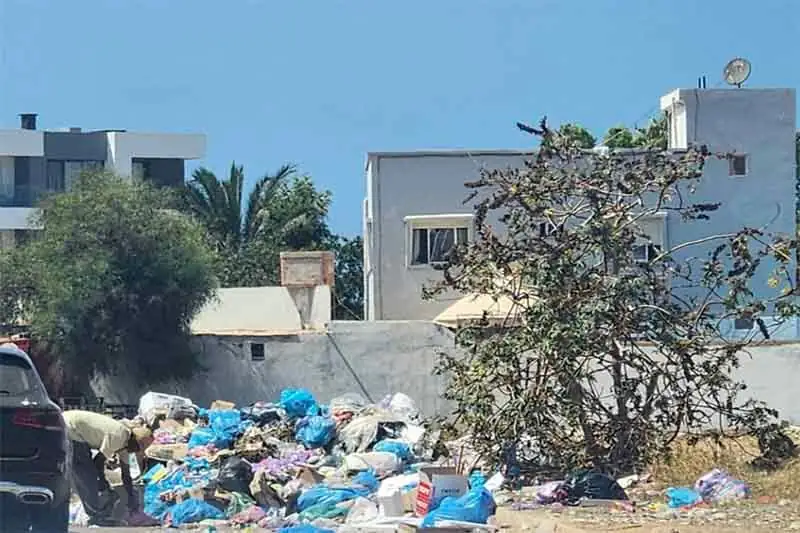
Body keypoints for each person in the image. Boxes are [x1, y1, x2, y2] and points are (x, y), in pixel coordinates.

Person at [63, 410, 153, 526]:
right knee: (86, 475)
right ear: (135, 439)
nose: (137, 451)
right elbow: (98, 463)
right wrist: (104, 485)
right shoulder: (119, 436)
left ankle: (97, 514)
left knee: (91, 476)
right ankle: (95, 517)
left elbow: (126, 476)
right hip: (71, 427)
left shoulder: (126, 446)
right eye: (139, 447)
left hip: (75, 429)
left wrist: (132, 503)